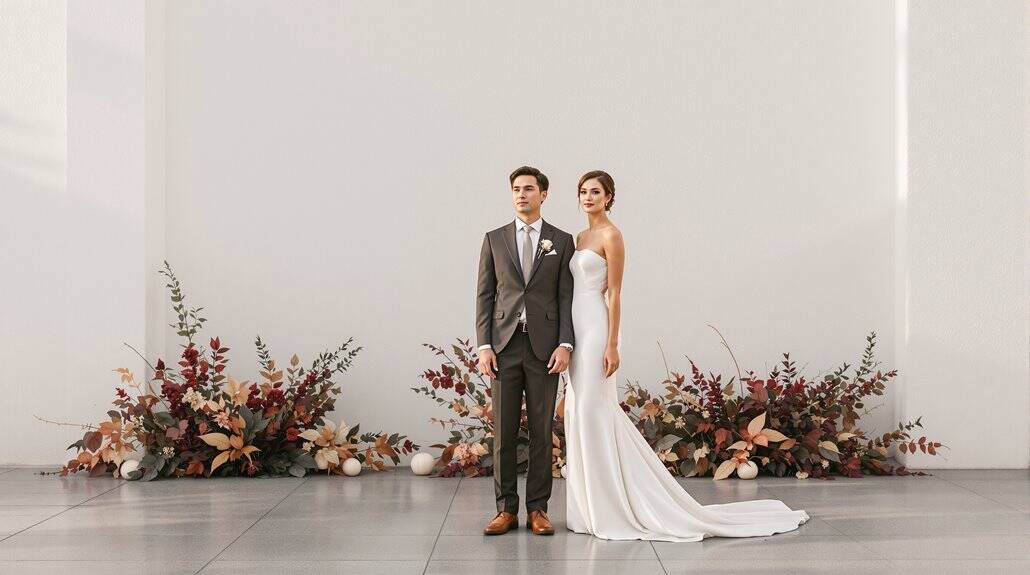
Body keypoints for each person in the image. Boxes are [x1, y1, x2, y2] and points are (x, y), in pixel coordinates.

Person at [563, 170, 810, 542]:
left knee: (592, 409)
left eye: (595, 192)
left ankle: (612, 505)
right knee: (579, 409)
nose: (588, 197)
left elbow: (614, 293)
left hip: (597, 326)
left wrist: (612, 343)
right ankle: (588, 507)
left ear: (609, 197)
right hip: (576, 325)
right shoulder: (580, 237)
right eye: (583, 191)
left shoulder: (612, 235)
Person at [475, 165, 575, 536]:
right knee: (503, 433)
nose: (522, 194)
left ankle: (538, 510)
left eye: (529, 188)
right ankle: (505, 510)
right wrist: (485, 345)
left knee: (540, 431)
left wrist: (565, 343)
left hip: (544, 348)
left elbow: (566, 297)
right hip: (503, 347)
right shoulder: (494, 239)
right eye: (516, 188)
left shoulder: (561, 240)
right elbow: (485, 295)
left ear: (543, 194)